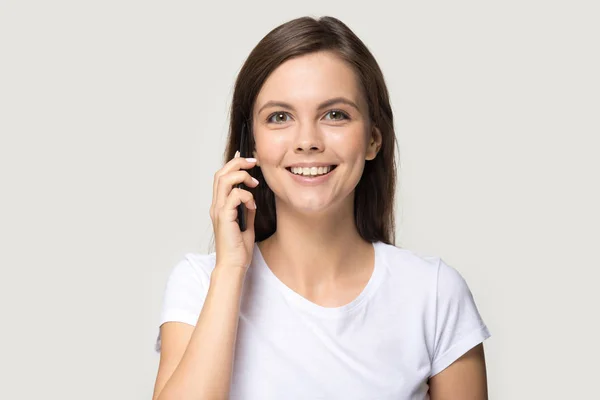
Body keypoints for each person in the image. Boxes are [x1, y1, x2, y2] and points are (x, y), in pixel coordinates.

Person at [152, 15, 491, 400]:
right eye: (280, 117)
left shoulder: (433, 293)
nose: (308, 140)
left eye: (335, 115)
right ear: (253, 147)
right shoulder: (200, 284)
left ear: (373, 140)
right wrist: (231, 270)